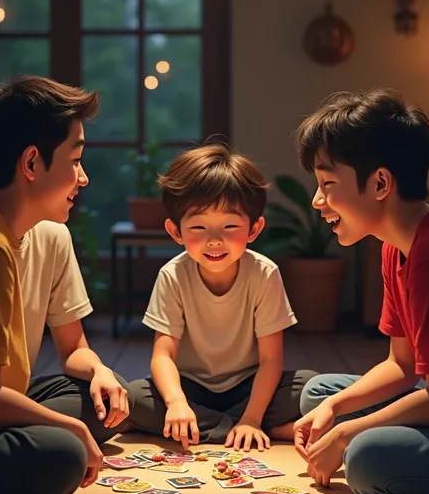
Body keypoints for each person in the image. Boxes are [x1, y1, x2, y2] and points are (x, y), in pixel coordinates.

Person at [0, 75, 133, 494]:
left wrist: (99, 370)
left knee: (110, 399)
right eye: (76, 160)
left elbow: (74, 349)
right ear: (31, 163)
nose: (82, 177)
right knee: (63, 454)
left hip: (2, 397)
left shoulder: (49, 235)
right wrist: (67, 428)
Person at [292, 88, 429, 494]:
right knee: (319, 395)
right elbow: (403, 364)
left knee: (364, 458)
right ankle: (414, 485)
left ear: (380, 183)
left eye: (327, 184)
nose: (317, 201)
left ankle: (413, 485)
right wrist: (334, 409)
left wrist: (346, 435)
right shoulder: (393, 246)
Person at [128, 144, 315, 452]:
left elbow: (271, 360)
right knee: (135, 395)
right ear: (176, 231)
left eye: (230, 226)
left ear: (254, 229)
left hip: (249, 387)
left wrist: (253, 417)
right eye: (198, 227)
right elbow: (163, 356)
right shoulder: (173, 275)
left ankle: (228, 427)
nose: (215, 240)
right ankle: (255, 429)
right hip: (190, 387)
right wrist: (176, 402)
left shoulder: (264, 273)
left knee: (311, 386)